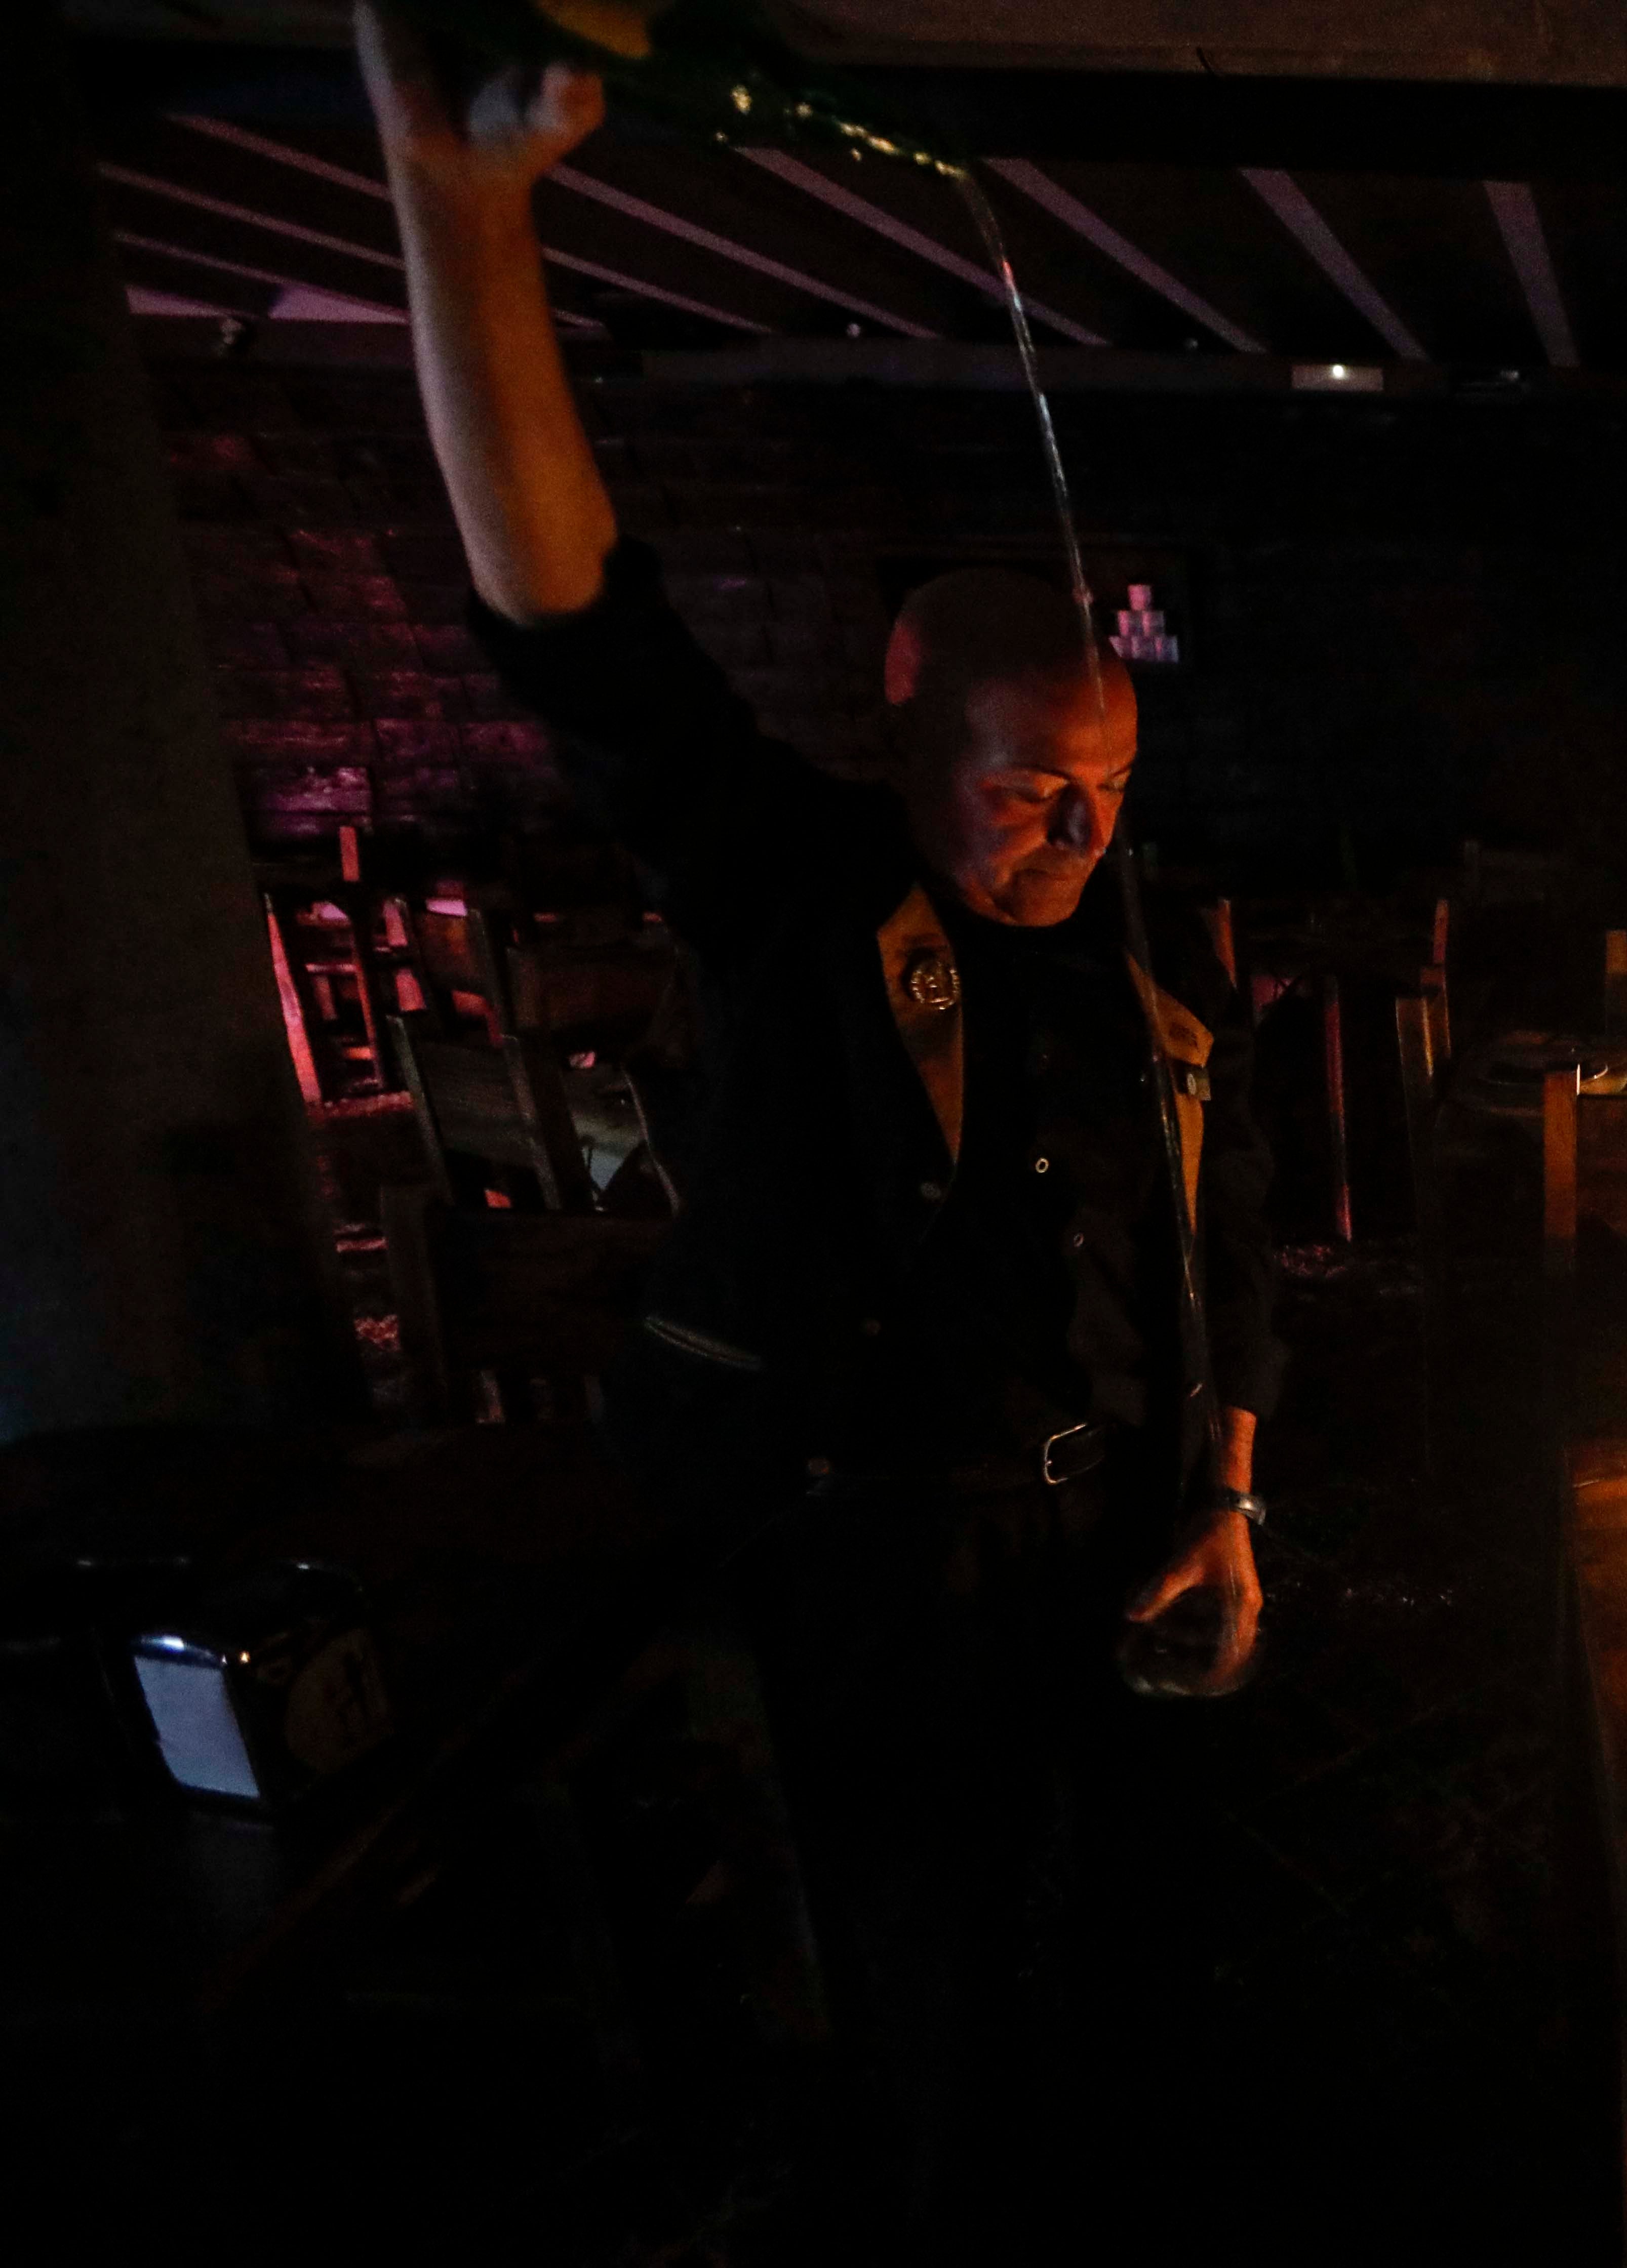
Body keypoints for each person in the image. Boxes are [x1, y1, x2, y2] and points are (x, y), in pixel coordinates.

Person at [355, 5, 1281, 2226]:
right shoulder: (797, 885)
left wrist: (1232, 1489)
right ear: (902, 727)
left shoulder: (1146, 964)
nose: (1074, 823)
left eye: (1111, 787)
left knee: (1135, 1989)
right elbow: (570, 619)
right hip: (868, 1573)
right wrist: (462, 213)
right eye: (1026, 778)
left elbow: (1224, 1241)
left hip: (1116, 1547)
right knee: (908, 2021)